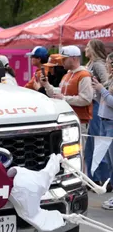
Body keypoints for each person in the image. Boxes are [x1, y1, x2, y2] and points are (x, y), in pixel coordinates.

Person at [41, 45, 93, 134]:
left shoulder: (84, 75)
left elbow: (86, 99)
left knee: (79, 147)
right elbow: (59, 93)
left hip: (79, 121)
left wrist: (64, 98)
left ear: (74, 58)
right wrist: (47, 85)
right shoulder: (67, 75)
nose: (61, 61)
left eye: (64, 58)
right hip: (67, 119)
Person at [84, 39, 110, 178]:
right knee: (92, 141)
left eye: (88, 46)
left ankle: (101, 177)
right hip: (93, 105)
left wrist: (98, 90)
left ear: (93, 48)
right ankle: (95, 176)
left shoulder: (98, 64)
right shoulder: (91, 63)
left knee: (97, 140)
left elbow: (107, 82)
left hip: (98, 105)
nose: (85, 49)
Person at [92, 52, 113, 208]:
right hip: (105, 123)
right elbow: (104, 101)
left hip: (111, 124)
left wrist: (102, 89)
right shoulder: (110, 80)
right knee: (110, 162)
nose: (106, 66)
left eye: (108, 63)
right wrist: (98, 90)